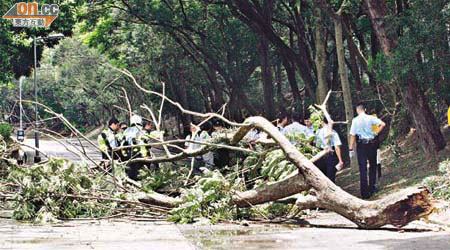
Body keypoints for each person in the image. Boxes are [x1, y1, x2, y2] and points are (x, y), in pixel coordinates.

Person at [349, 103, 386, 199]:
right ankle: (372, 188)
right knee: (373, 166)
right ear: (364, 109)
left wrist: (351, 148)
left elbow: (352, 135)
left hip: (361, 145)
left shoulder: (355, 120)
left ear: (357, 110)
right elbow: (382, 124)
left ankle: (364, 193)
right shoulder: (371, 118)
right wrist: (375, 132)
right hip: (371, 143)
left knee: (363, 168)